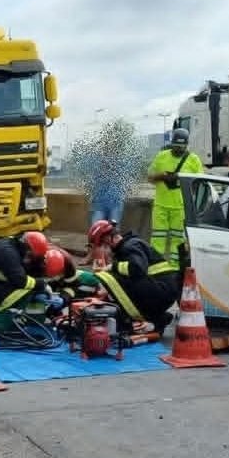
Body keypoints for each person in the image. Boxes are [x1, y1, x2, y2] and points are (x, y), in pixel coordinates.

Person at [86, 220, 180, 335]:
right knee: (116, 280)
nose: (102, 249)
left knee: (109, 278)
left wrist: (112, 266)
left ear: (107, 239)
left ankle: (129, 318)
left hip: (161, 291)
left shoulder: (130, 246)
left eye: (101, 245)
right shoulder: (125, 247)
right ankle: (158, 318)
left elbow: (137, 269)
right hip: (161, 290)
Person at [0, 231, 60, 333]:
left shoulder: (13, 245)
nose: (30, 259)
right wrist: (42, 284)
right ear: (27, 248)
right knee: (26, 291)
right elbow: (21, 281)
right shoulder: (8, 253)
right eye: (30, 256)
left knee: (30, 288)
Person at [146, 127, 202, 266]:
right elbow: (150, 177)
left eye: (181, 147)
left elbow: (200, 182)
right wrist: (162, 176)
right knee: (158, 238)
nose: (178, 150)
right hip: (161, 206)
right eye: (176, 146)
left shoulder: (193, 159)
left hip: (181, 208)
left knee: (178, 241)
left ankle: (175, 268)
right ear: (172, 143)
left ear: (187, 145)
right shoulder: (162, 156)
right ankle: (156, 267)